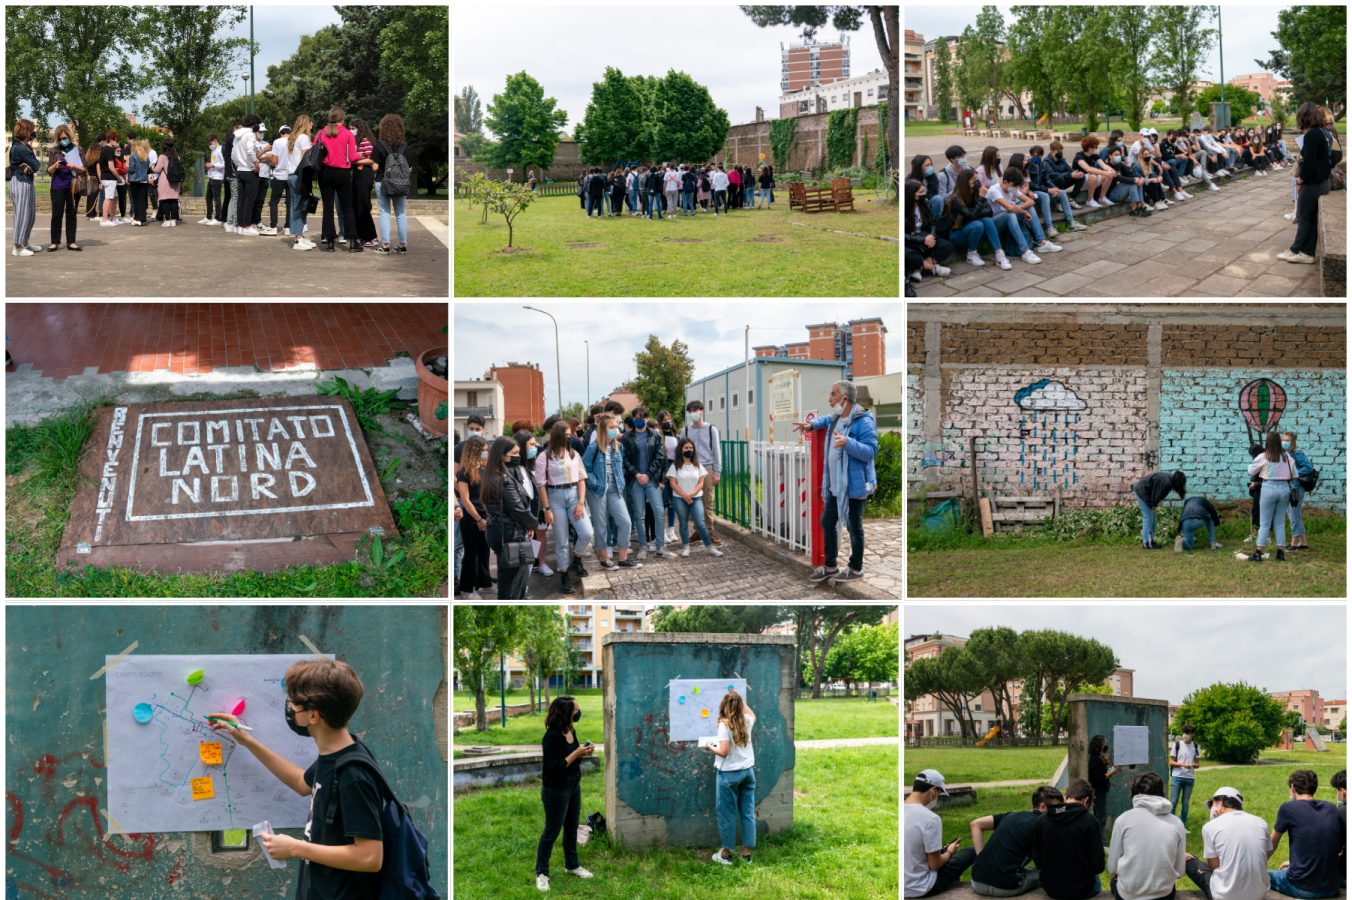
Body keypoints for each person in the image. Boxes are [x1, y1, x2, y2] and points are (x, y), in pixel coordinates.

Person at [207, 658, 384, 898]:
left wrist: (295, 848)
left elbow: (370, 857)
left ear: (313, 716)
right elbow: (302, 783)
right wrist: (246, 740)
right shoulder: (334, 754)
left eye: (293, 703)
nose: (289, 707)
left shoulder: (353, 774)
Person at [797, 381, 879, 583]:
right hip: (835, 486)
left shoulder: (864, 421)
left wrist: (847, 443)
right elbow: (825, 420)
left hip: (854, 486)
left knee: (854, 527)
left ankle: (856, 568)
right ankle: (831, 566)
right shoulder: (836, 418)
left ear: (844, 399)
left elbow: (870, 451)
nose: (829, 399)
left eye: (833, 395)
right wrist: (811, 424)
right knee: (827, 521)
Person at [536, 696, 596, 892]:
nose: (578, 712)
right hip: (555, 789)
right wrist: (576, 753)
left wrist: (584, 752)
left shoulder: (571, 730)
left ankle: (572, 865)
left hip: (573, 786)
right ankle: (542, 873)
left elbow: (572, 761)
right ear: (566, 713)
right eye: (575, 709)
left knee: (571, 829)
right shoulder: (551, 737)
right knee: (551, 831)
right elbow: (556, 767)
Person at [969, 786, 1065, 896]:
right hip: (1003, 887)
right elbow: (1045, 864)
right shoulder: (1042, 825)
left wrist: (981, 858)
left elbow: (975, 824)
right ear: (1043, 807)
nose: (1059, 813)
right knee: (1048, 874)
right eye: (1057, 808)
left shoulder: (1011, 815)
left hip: (976, 881)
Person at [535, 421, 594, 595]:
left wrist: (581, 502)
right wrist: (546, 509)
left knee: (586, 533)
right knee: (561, 540)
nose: (569, 437)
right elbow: (541, 485)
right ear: (557, 435)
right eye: (566, 434)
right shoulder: (544, 457)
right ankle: (564, 574)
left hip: (574, 495)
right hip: (555, 497)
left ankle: (576, 559)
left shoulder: (574, 454)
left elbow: (582, 479)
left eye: (571, 434)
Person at [1106, 772, 1187, 900]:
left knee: (1113, 882)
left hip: (1129, 895)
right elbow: (1180, 871)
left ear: (1134, 794)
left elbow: (1112, 868)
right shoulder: (1177, 823)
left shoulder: (1123, 820)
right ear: (1162, 793)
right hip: (1164, 894)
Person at [1183, 787, 1270, 900]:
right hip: (1260, 894)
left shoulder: (1210, 827)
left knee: (1188, 860)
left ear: (1219, 802)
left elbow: (1215, 868)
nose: (1211, 810)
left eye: (1211, 805)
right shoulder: (1261, 822)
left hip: (1225, 896)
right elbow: (1264, 855)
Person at [1268, 770, 1342, 899]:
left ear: (1292, 787)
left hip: (1302, 887)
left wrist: (1255, 866)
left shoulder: (1288, 808)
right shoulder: (1331, 809)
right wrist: (1294, 863)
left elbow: (1271, 845)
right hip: (1332, 886)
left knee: (1264, 875)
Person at [703, 690, 756, 865]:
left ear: (724, 706)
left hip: (729, 775)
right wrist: (739, 696)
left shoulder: (724, 725)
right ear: (740, 706)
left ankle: (725, 854)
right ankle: (746, 854)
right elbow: (751, 714)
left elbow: (724, 752)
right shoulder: (747, 721)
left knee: (727, 813)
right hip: (748, 772)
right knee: (747, 812)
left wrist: (710, 747)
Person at [481, 435, 538, 599]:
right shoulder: (503, 478)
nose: (517, 457)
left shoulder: (492, 474)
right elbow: (518, 509)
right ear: (502, 454)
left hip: (500, 531)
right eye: (514, 453)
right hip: (511, 534)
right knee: (514, 582)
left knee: (510, 578)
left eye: (519, 453)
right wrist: (534, 524)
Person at [582, 414, 640, 571]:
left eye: (616, 427)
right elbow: (585, 470)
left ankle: (623, 559)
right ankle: (604, 559)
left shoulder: (618, 447)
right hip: (597, 490)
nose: (616, 430)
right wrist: (595, 484)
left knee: (625, 522)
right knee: (601, 525)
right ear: (603, 429)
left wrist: (620, 483)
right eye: (612, 427)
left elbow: (619, 469)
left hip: (615, 488)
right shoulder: (593, 448)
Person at [905, 769, 975, 896]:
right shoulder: (931, 819)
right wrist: (949, 852)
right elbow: (934, 864)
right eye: (938, 793)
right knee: (972, 851)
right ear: (933, 790)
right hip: (920, 887)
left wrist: (940, 850)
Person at [1034, 779, 1106, 900]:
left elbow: (1037, 859)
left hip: (1051, 888)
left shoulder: (1042, 820)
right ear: (1086, 800)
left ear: (1067, 797)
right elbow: (1098, 866)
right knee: (1096, 880)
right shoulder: (1089, 820)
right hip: (1082, 890)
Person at [1280, 103, 1331, 266]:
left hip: (1313, 184)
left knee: (1303, 217)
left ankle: (1299, 250)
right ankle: (1304, 251)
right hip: (1323, 182)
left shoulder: (1311, 135)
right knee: (1311, 218)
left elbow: (1309, 164)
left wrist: (1301, 180)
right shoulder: (1323, 132)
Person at [621, 406, 673, 560]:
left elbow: (660, 457)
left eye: (642, 417)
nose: (639, 419)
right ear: (633, 418)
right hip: (635, 480)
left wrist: (648, 474)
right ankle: (643, 546)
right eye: (636, 417)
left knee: (658, 511)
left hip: (652, 479)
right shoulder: (626, 437)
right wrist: (637, 474)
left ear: (646, 418)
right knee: (639, 514)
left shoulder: (655, 435)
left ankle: (660, 546)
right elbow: (624, 460)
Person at [944, 167, 1013, 271]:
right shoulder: (955, 199)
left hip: (976, 231)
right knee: (978, 224)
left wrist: (977, 207)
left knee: (990, 219)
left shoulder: (977, 192)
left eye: (977, 178)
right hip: (958, 234)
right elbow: (971, 216)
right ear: (965, 182)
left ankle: (1000, 255)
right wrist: (981, 199)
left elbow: (989, 212)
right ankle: (971, 254)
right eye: (973, 179)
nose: (977, 181)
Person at [667, 436, 723, 557]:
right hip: (679, 499)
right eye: (686, 447)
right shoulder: (675, 466)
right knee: (683, 523)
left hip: (696, 498)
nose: (689, 450)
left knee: (700, 523)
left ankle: (710, 547)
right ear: (681, 450)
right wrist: (684, 495)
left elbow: (701, 482)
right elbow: (672, 483)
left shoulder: (698, 465)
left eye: (691, 447)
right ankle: (686, 547)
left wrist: (691, 494)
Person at [315, 107, 360, 252]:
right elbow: (353, 158)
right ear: (343, 118)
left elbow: (314, 150)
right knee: (347, 207)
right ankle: (353, 242)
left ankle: (329, 242)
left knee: (328, 208)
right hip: (342, 173)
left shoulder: (321, 133)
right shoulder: (348, 134)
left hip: (325, 173)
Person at [1247, 432, 1296, 562]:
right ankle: (1280, 552)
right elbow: (1294, 474)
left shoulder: (1263, 456)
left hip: (1268, 487)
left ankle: (1258, 552)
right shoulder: (1287, 457)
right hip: (1284, 488)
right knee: (1279, 522)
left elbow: (1251, 471)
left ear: (1267, 443)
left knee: (1264, 523)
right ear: (1280, 442)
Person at [456, 435, 493, 598]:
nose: (486, 453)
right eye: (484, 450)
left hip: (486, 516)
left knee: (485, 551)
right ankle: (467, 588)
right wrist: (478, 519)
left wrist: (487, 517)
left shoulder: (485, 469)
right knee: (471, 553)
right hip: (471, 517)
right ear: (475, 451)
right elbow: (465, 498)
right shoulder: (464, 472)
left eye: (487, 450)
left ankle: (484, 583)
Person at [681, 400, 723, 545]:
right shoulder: (685, 431)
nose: (693, 413)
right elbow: (681, 451)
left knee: (707, 501)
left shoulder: (711, 430)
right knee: (693, 501)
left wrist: (717, 472)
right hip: (690, 468)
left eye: (696, 410)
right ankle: (698, 530)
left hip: (707, 468)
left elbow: (717, 452)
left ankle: (709, 531)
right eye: (690, 411)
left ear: (701, 411)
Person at [985, 169, 1046, 264]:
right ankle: (1025, 251)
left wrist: (1019, 207)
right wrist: (1023, 212)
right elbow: (1009, 208)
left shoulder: (1012, 188)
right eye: (1015, 185)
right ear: (1005, 182)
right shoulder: (994, 190)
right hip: (994, 223)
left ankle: (1042, 242)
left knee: (1029, 208)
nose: (1016, 188)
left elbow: (1031, 201)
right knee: (1011, 214)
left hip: (1009, 218)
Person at [1024, 146, 1088, 231]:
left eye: (1039, 156)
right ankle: (1049, 227)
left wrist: (1054, 188)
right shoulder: (1027, 166)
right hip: (1034, 191)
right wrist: (1048, 190)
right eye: (1034, 155)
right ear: (1031, 155)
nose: (1036, 158)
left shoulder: (1042, 164)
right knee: (1045, 196)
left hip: (1043, 189)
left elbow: (1047, 179)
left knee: (1062, 192)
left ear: (1041, 156)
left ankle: (1071, 222)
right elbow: (1032, 185)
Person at [371, 114, 410, 255]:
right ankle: (403, 245)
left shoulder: (379, 145)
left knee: (385, 213)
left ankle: (386, 245)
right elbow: (409, 168)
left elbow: (375, 167)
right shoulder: (405, 147)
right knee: (401, 213)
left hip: (383, 182)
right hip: (401, 184)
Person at [44, 122, 84, 253]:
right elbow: (49, 171)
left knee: (72, 214)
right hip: (57, 186)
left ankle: (71, 241)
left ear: (69, 136)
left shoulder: (78, 150)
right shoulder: (54, 150)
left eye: (64, 137)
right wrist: (55, 165)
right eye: (60, 138)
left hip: (73, 186)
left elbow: (84, 170)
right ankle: (54, 242)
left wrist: (74, 167)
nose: (62, 140)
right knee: (56, 214)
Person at [906, 178, 955, 284]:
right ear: (913, 196)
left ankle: (917, 269)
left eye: (924, 190)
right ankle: (933, 268)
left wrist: (931, 236)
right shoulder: (905, 210)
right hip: (911, 241)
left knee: (947, 246)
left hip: (925, 238)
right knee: (905, 253)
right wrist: (921, 239)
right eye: (921, 192)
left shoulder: (924, 205)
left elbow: (933, 222)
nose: (925, 194)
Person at [8, 118, 41, 257]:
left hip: (26, 181)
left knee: (30, 215)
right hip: (20, 182)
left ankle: (25, 242)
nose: (33, 132)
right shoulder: (20, 147)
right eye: (32, 130)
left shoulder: (22, 146)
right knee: (22, 215)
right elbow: (36, 165)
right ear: (27, 131)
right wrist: (30, 146)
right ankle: (17, 247)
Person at [1132, 470, 1186, 550]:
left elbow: (1156, 493)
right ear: (1178, 482)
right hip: (1142, 492)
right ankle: (1147, 543)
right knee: (1148, 517)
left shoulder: (1169, 480)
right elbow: (1156, 495)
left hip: (1145, 493)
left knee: (1152, 518)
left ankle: (1150, 541)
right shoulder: (1167, 482)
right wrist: (1153, 505)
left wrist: (1154, 505)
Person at [283, 115, 315, 251]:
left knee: (296, 206)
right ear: (306, 124)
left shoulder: (292, 137)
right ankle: (297, 239)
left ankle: (299, 235)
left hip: (291, 175)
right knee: (299, 207)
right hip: (299, 176)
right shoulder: (304, 138)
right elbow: (306, 159)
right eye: (310, 123)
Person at [347, 117, 378, 247]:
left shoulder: (365, 141)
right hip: (356, 175)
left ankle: (371, 237)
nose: (351, 131)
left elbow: (372, 159)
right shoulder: (355, 142)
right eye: (350, 128)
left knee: (364, 206)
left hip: (364, 175)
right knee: (356, 206)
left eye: (353, 128)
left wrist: (355, 161)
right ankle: (360, 236)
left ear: (360, 129)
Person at [1168, 725, 1200, 825]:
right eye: (1184, 733)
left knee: (1185, 804)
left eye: (1188, 733)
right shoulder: (1177, 745)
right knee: (1173, 802)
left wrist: (1193, 765)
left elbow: (1197, 764)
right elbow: (1171, 761)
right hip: (1177, 777)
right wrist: (1182, 764)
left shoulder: (1195, 746)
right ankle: (1172, 824)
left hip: (1190, 778)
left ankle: (1183, 825)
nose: (1185, 735)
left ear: (1193, 734)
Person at [265, 124, 292, 237]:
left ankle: (273, 226)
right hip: (291, 175)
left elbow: (274, 161)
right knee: (290, 202)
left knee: (274, 202)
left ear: (280, 133)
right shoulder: (294, 141)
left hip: (279, 175)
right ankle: (288, 227)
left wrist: (271, 159)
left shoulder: (277, 142)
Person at [1073, 137, 1116, 209]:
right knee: (1093, 176)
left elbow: (1104, 165)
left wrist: (1112, 171)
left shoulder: (1094, 155)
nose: (1096, 148)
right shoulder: (1079, 156)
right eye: (1094, 147)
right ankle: (1090, 200)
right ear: (1088, 147)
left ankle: (1102, 198)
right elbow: (1088, 169)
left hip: (1090, 180)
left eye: (1096, 146)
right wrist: (1105, 173)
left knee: (1109, 175)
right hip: (1080, 181)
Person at [1088, 734, 1117, 835]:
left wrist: (1108, 767)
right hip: (1098, 791)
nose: (1106, 744)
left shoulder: (1099, 757)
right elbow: (1099, 778)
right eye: (1104, 743)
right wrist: (1110, 773)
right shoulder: (1095, 759)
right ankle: (1102, 843)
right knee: (1101, 818)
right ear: (1099, 745)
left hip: (1101, 790)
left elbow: (1103, 774)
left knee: (1101, 817)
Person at [151, 139, 183, 227]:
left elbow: (157, 170)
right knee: (173, 200)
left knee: (165, 201)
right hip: (176, 181)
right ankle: (173, 220)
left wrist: (153, 167)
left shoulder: (162, 157)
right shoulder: (177, 156)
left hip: (165, 181)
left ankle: (167, 220)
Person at [200, 133, 225, 225]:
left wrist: (213, 165)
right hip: (212, 176)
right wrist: (209, 167)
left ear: (215, 140)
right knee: (208, 198)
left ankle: (218, 218)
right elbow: (214, 163)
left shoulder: (221, 150)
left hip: (218, 177)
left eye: (210, 143)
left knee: (216, 198)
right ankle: (208, 217)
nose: (209, 146)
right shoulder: (213, 151)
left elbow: (225, 164)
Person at [125, 139, 150, 226]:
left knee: (135, 200)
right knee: (142, 200)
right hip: (144, 180)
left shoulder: (133, 156)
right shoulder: (146, 156)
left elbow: (131, 169)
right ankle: (142, 219)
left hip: (135, 181)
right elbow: (148, 168)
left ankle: (137, 218)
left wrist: (126, 167)